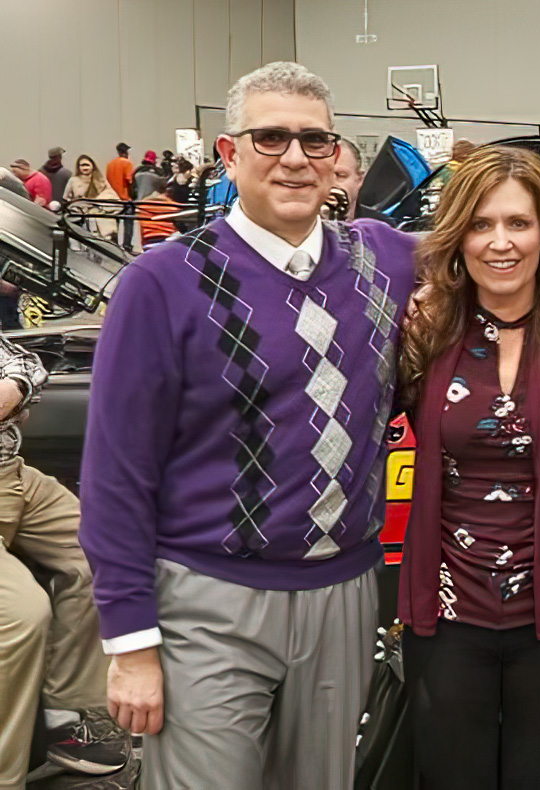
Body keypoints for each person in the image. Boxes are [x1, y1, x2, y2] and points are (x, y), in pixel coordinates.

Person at [79, 60, 416, 790]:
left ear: (336, 159)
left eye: (314, 141)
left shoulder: (385, 260)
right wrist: (131, 641)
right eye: (271, 138)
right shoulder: (162, 281)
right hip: (209, 599)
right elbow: (115, 477)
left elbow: (511, 252)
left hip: (344, 596)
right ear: (229, 155)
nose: (295, 158)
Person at [397, 145, 540, 790]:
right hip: (448, 610)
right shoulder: (425, 329)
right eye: (481, 225)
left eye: (518, 223)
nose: (500, 243)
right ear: (458, 237)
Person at [0, 333, 124, 788]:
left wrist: (13, 387)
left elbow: (25, 363)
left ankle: (65, 717)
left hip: (14, 475)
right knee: (21, 616)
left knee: (107, 552)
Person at [63, 155, 121, 241]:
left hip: (98, 212)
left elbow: (110, 195)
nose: (85, 168)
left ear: (92, 166)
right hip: (79, 214)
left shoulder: (100, 180)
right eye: (82, 165)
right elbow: (66, 198)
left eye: (87, 165)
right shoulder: (73, 180)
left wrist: (96, 203)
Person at [106, 142, 135, 251]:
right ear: (126, 152)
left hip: (113, 198)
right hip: (125, 198)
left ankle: (114, 246)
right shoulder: (127, 163)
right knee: (128, 223)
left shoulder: (110, 164)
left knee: (114, 224)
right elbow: (129, 180)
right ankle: (127, 246)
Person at [332, 136, 365, 220]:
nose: (331, 183)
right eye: (322, 176)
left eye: (340, 175)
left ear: (359, 179)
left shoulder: (380, 228)